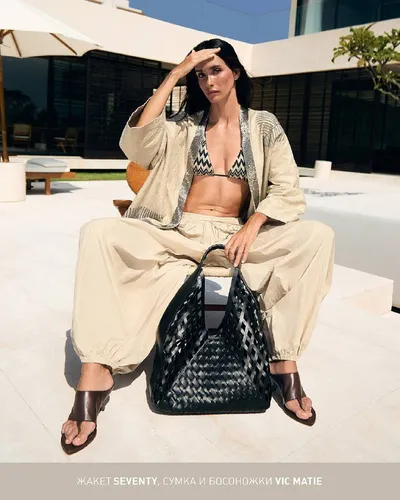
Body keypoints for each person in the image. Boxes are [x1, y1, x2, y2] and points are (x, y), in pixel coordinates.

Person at [61, 38, 335, 455]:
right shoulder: (183, 125)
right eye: (200, 74)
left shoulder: (264, 126)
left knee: (317, 236)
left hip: (238, 235)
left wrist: (255, 223)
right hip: (178, 230)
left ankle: (283, 358)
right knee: (99, 233)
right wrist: (175, 73)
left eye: (217, 70)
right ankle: (96, 369)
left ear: (236, 73)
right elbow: (136, 145)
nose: (209, 81)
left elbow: (287, 188)